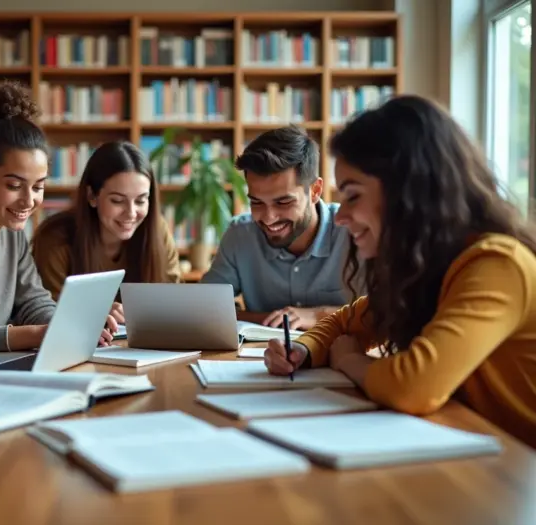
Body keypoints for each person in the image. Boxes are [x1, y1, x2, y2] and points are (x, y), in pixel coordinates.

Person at [264, 95, 536, 450]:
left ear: (408, 192)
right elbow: (344, 324)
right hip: (482, 452)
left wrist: (348, 360)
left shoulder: (497, 264)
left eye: (353, 196)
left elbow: (413, 386)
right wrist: (301, 351)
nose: (341, 217)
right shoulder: (427, 269)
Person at [0, 82, 113, 350]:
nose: (28, 200)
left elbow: (33, 302)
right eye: (14, 186)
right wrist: (36, 334)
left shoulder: (13, 235)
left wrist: (69, 324)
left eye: (38, 187)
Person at [200, 125, 354, 330]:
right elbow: (206, 309)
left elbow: (384, 311)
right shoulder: (240, 235)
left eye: (283, 202)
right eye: (256, 202)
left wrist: (318, 315)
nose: (269, 218)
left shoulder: (353, 230)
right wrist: (278, 321)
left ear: (315, 191)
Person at [31, 140, 181, 323]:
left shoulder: (157, 231)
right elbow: (44, 313)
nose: (131, 213)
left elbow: (173, 302)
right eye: (117, 201)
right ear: (92, 196)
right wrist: (92, 312)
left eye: (141, 200)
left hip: (144, 346)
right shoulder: (55, 239)